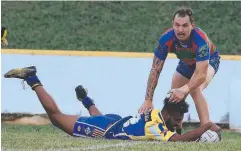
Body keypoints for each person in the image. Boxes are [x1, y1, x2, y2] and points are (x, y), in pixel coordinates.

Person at [4, 66, 221, 142]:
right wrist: (207, 126)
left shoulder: (156, 114)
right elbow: (180, 139)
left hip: (113, 121)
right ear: (171, 114)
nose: (179, 124)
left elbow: (176, 126)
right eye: (179, 119)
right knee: (57, 119)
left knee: (98, 118)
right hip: (106, 127)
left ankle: (87, 101)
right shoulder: (156, 128)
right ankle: (33, 78)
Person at [139, 8, 220, 134]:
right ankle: (175, 130)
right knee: (173, 97)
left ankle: (206, 131)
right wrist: (148, 100)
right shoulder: (166, 38)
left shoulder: (200, 40)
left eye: (184, 25)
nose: (180, 30)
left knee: (195, 88)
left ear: (192, 26)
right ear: (173, 24)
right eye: (177, 25)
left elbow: (200, 75)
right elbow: (155, 69)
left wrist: (185, 89)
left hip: (209, 62)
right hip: (186, 63)